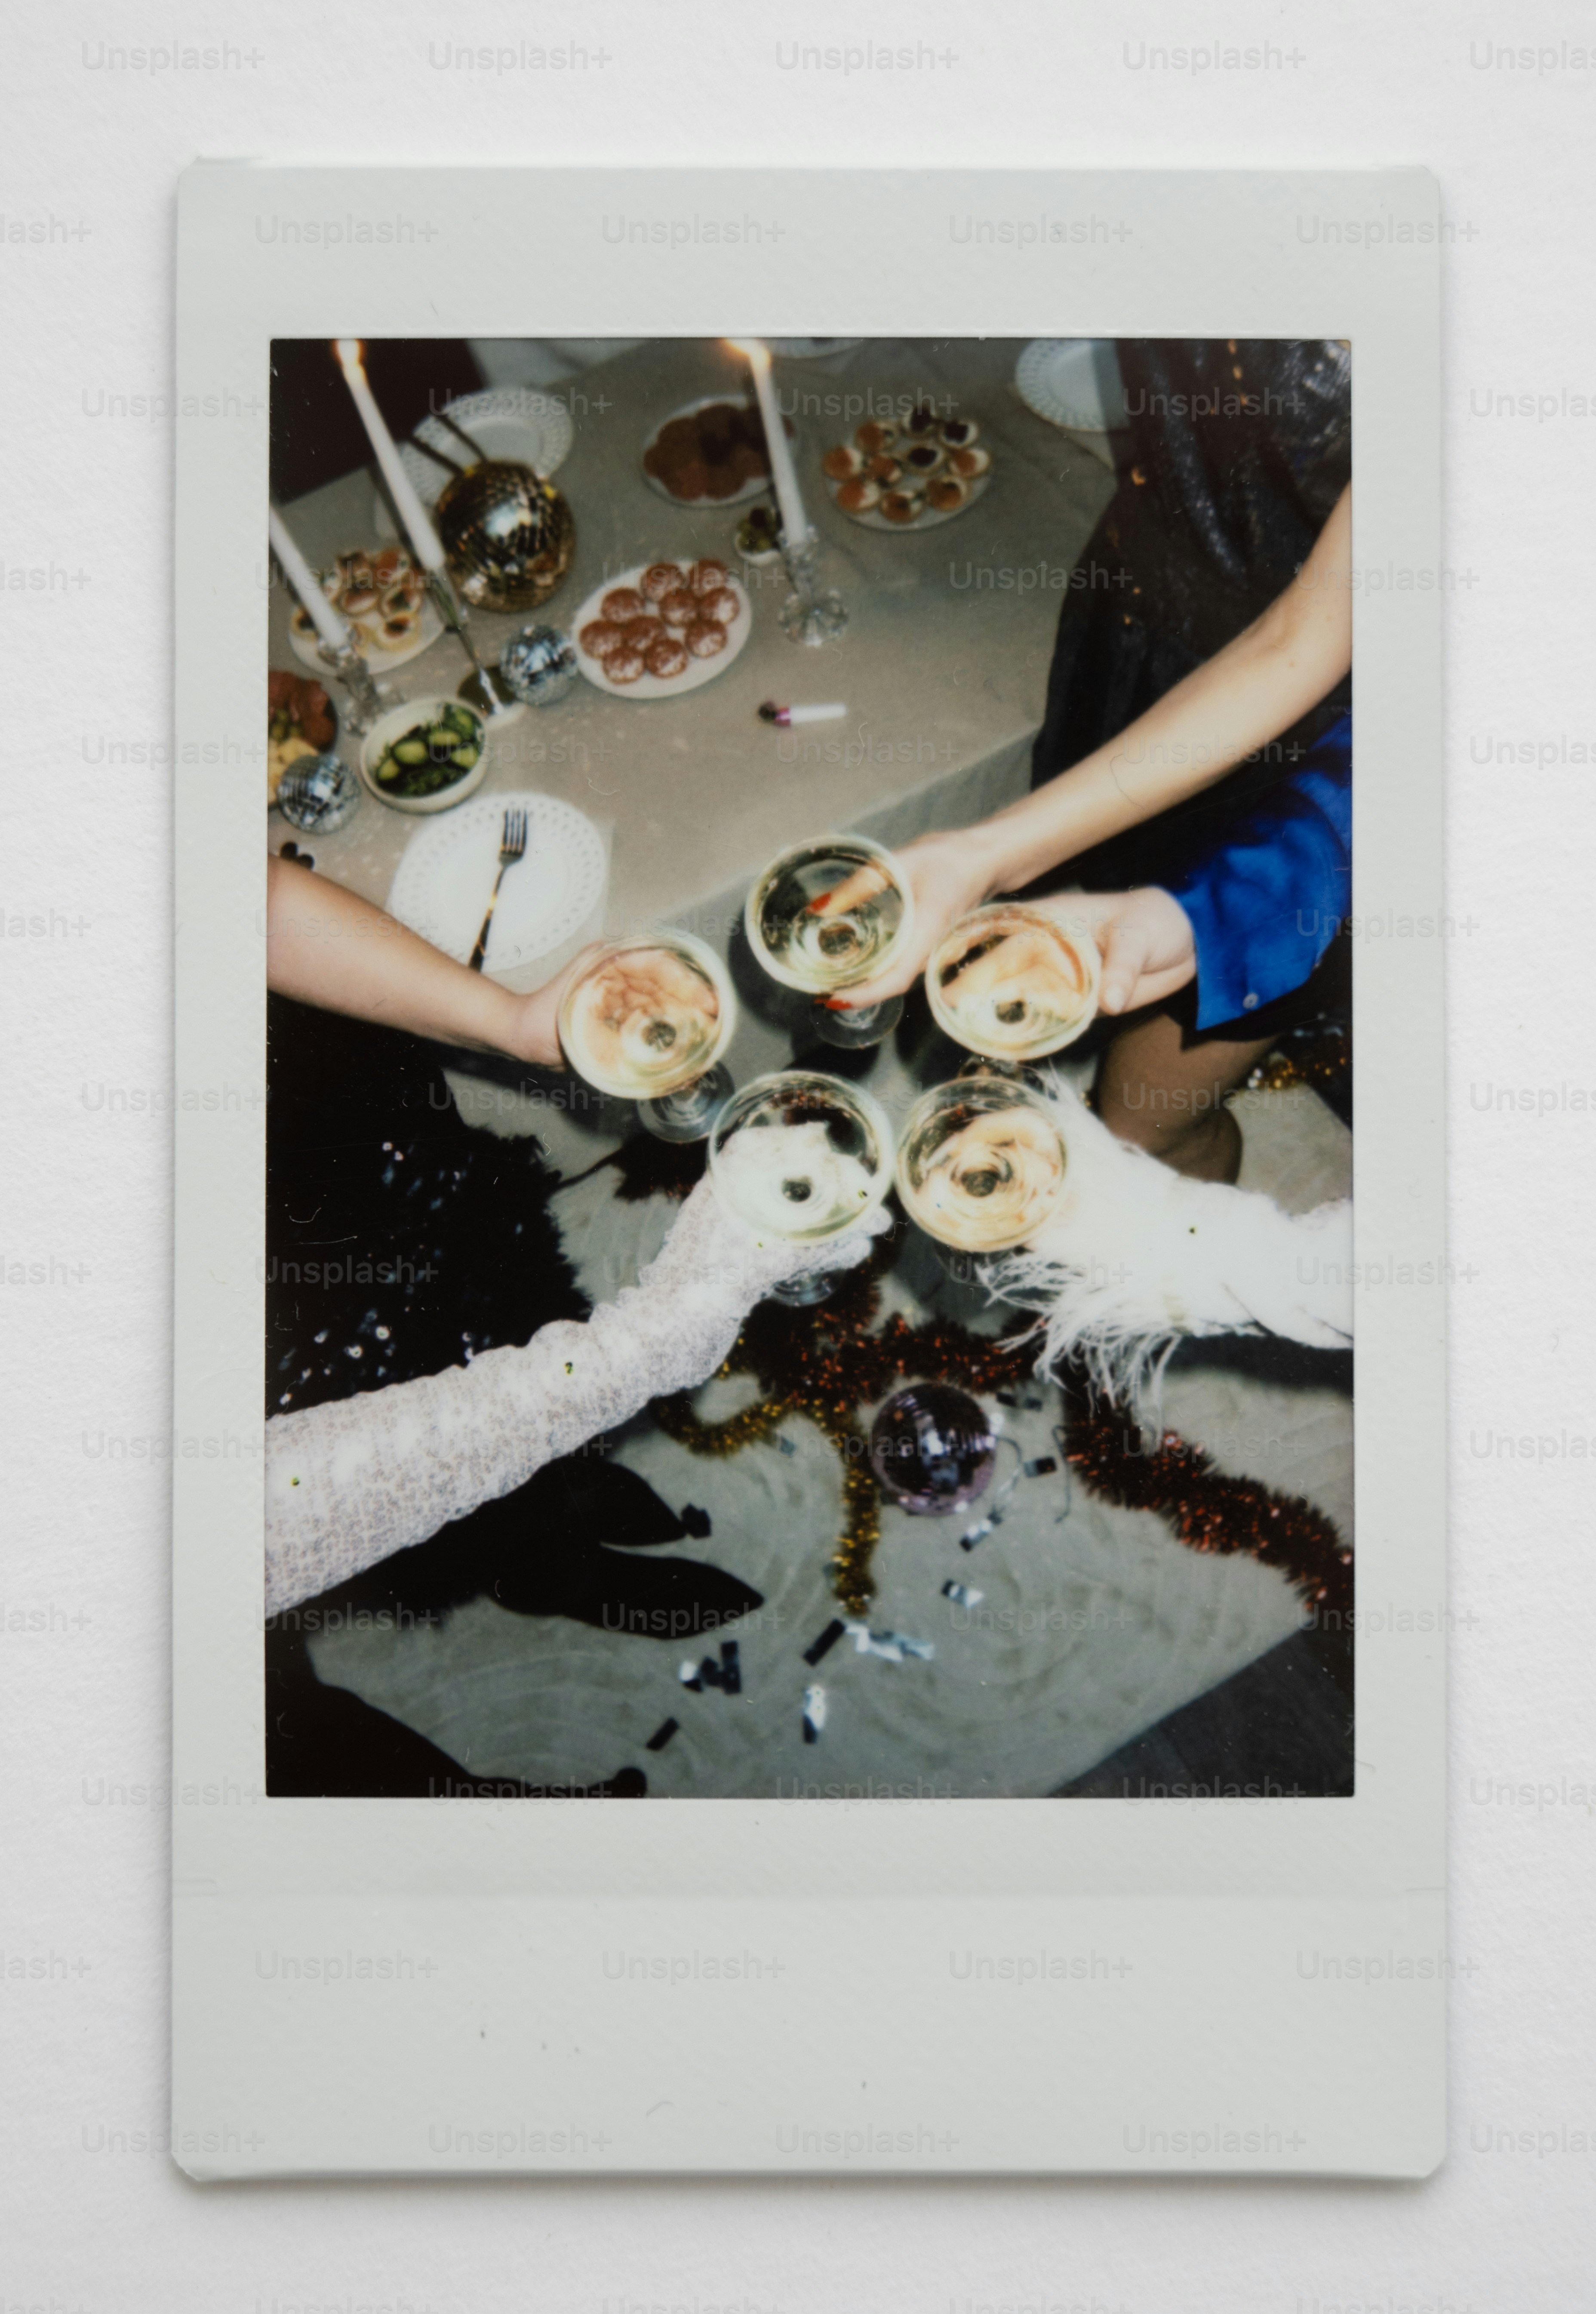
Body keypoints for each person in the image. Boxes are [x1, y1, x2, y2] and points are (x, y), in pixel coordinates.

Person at [262, 855, 883, 1794]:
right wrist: (659, 1334)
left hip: (346, 1144)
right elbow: (244, 1520)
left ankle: (556, 1513)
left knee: (498, 1308)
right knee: (312, 1741)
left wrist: (515, 1022)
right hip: (269, 1365)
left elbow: (245, 897)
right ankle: (547, 1583)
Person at [832, 483, 1353, 1183]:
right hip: (1154, 642)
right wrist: (984, 853)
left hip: (1300, 780)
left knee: (1144, 1125)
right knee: (1114, 893)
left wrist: (1216, 910)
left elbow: (1315, 645)